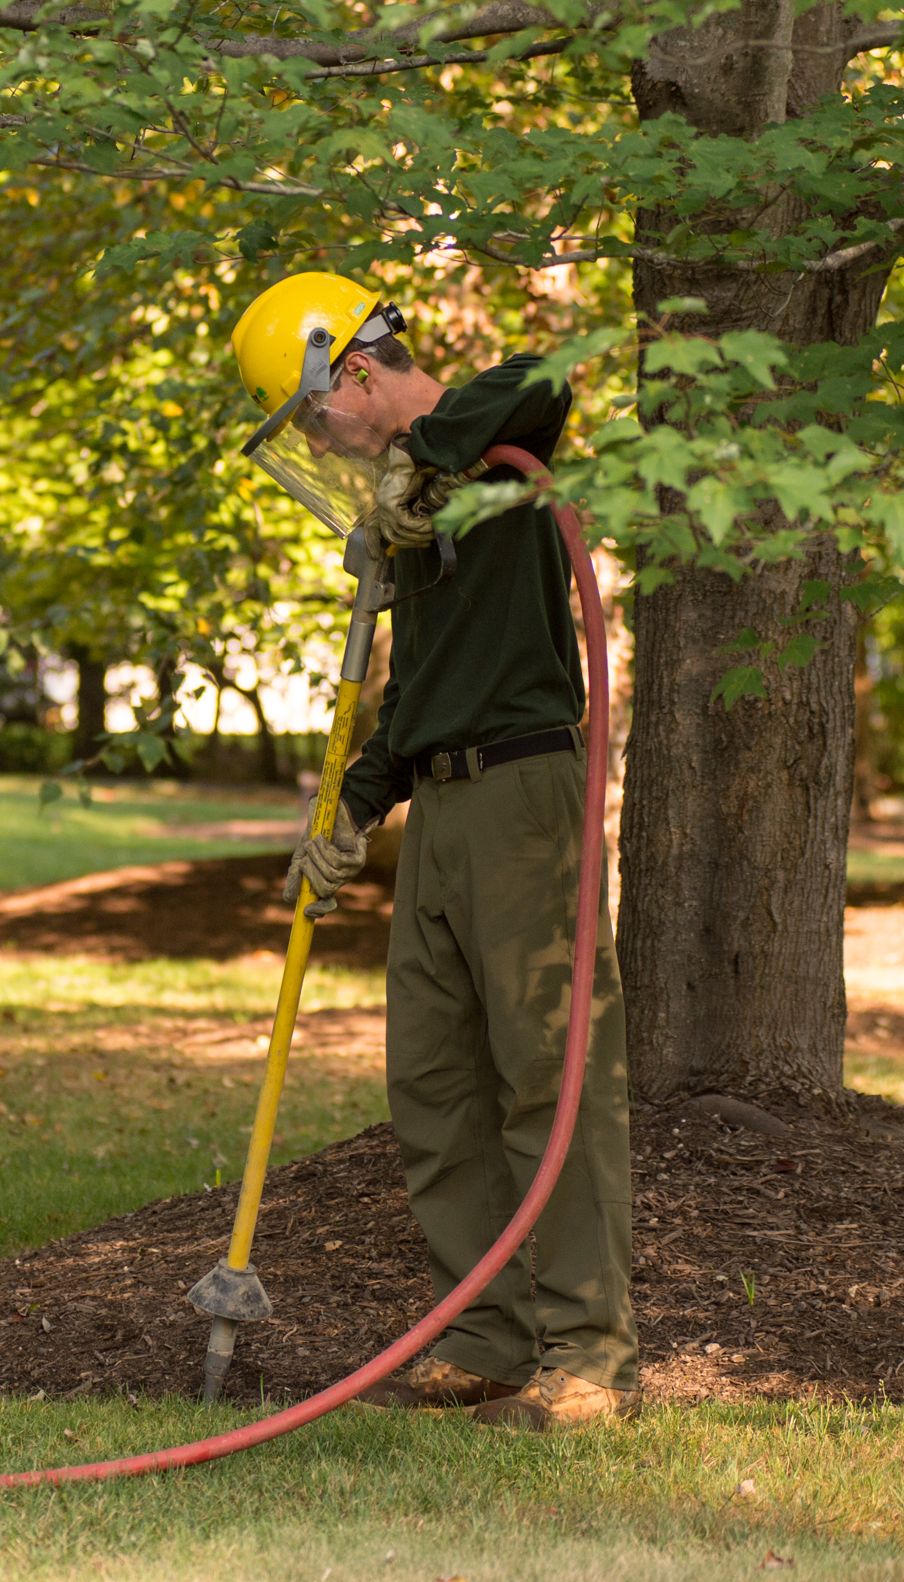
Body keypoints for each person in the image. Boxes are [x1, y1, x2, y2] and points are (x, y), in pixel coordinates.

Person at [230, 271, 637, 1432]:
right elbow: (415, 691)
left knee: (544, 1073)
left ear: (350, 369)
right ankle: (489, 1329)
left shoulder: (487, 442)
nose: (323, 442)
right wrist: (352, 809)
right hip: (442, 810)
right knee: (434, 1082)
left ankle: (587, 1352)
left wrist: (426, 459)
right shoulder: (417, 511)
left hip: (522, 792)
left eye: (312, 416)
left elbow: (543, 377)